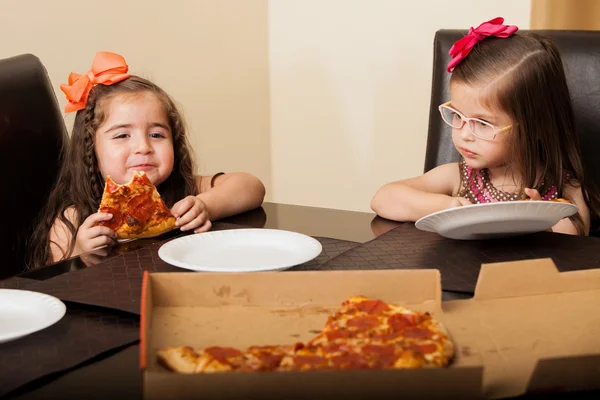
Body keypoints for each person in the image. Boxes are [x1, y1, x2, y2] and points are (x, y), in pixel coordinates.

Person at [29, 52, 265, 267]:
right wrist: (81, 251)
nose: (143, 147)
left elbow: (252, 186)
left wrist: (206, 206)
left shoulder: (183, 191)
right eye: (122, 135)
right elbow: (56, 282)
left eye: (156, 134)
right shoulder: (73, 219)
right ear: (91, 148)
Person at [371, 17, 600, 236]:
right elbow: (383, 198)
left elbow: (575, 239)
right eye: (458, 115)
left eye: (482, 123)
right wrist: (446, 205)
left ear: (535, 127)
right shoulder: (458, 178)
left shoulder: (566, 187)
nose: (464, 134)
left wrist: (541, 219)